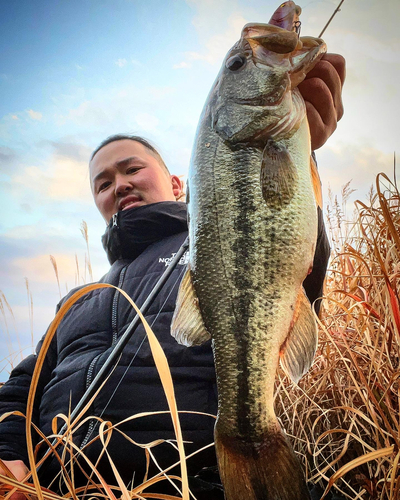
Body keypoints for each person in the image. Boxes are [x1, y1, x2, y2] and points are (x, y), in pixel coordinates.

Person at [0, 53, 345, 499]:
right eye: (103, 183)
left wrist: (300, 157)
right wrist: (9, 457)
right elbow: (21, 389)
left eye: (131, 168)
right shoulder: (77, 299)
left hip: (190, 482)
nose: (119, 184)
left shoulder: (212, 241)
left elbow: (299, 272)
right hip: (61, 489)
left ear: (179, 183)